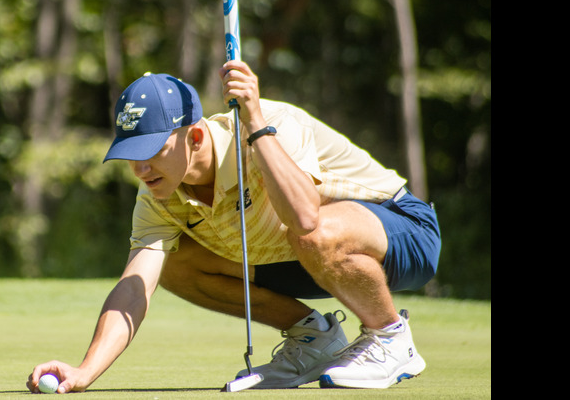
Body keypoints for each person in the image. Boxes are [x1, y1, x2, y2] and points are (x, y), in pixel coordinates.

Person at [26, 61, 441, 392]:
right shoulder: (158, 193)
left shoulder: (269, 125)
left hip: (402, 231)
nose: (140, 168)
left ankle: (390, 338)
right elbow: (135, 285)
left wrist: (258, 125)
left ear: (194, 137)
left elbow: (305, 219)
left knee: (312, 229)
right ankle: (314, 340)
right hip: (308, 259)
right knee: (173, 264)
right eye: (131, 153)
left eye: (151, 150)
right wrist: (85, 371)